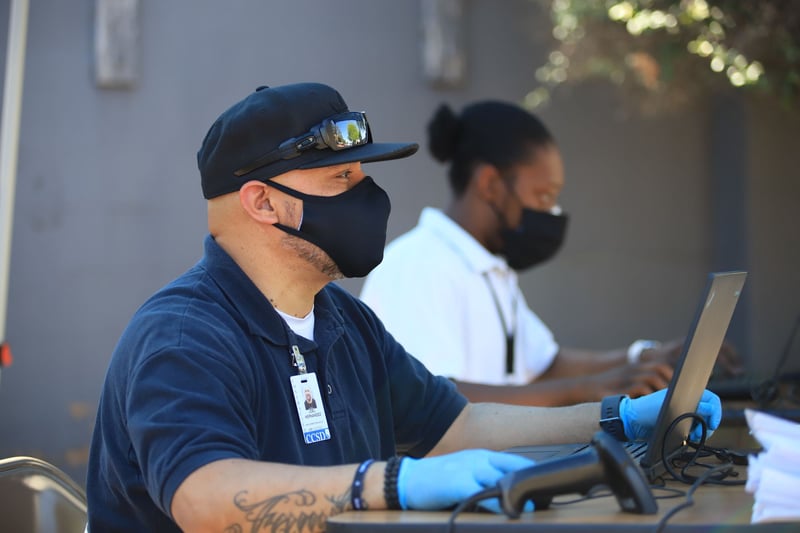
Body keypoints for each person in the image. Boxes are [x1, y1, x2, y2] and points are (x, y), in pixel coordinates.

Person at [86, 83, 722, 532]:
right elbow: (204, 502)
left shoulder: (343, 321)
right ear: (263, 202)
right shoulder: (182, 335)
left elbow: (458, 428)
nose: (369, 197)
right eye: (342, 179)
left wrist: (617, 420)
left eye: (364, 175)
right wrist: (390, 485)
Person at [360, 100, 741, 407]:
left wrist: (644, 358)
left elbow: (543, 365)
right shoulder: (419, 268)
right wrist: (588, 390)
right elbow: (430, 398)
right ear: (490, 184)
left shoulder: (487, 265)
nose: (552, 213)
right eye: (543, 197)